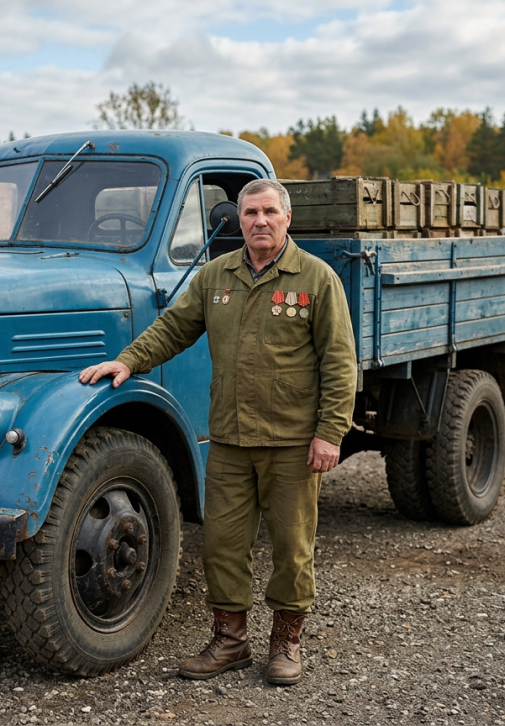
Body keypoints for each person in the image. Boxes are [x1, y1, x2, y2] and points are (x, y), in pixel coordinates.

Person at [79, 178, 357, 685]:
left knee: (293, 548)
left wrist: (330, 434)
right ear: (239, 219)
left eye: (269, 212)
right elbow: (174, 327)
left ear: (286, 218)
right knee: (222, 546)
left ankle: (286, 643)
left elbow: (340, 365)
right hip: (230, 440)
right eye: (250, 213)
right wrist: (127, 360)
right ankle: (230, 642)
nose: (259, 221)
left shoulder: (316, 280)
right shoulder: (216, 277)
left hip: (292, 442)